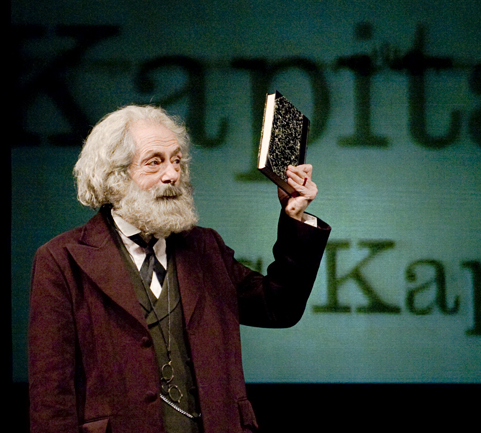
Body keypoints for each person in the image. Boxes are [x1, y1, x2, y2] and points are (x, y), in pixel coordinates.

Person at [28, 105, 330, 433]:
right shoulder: (62, 260)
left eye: (177, 161)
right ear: (115, 176)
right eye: (154, 162)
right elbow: (51, 396)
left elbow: (278, 307)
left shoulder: (205, 248)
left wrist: (295, 215)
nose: (172, 174)